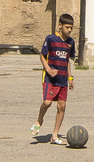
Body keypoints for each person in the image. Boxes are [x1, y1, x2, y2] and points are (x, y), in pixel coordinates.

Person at [30, 14, 75, 145]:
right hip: (50, 78)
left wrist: (70, 77)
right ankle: (39, 120)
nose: (69, 30)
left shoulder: (70, 43)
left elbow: (67, 61)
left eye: (71, 28)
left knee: (62, 106)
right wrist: (48, 69)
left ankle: (54, 135)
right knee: (47, 103)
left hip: (63, 79)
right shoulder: (51, 39)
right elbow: (42, 56)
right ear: (60, 25)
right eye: (67, 27)